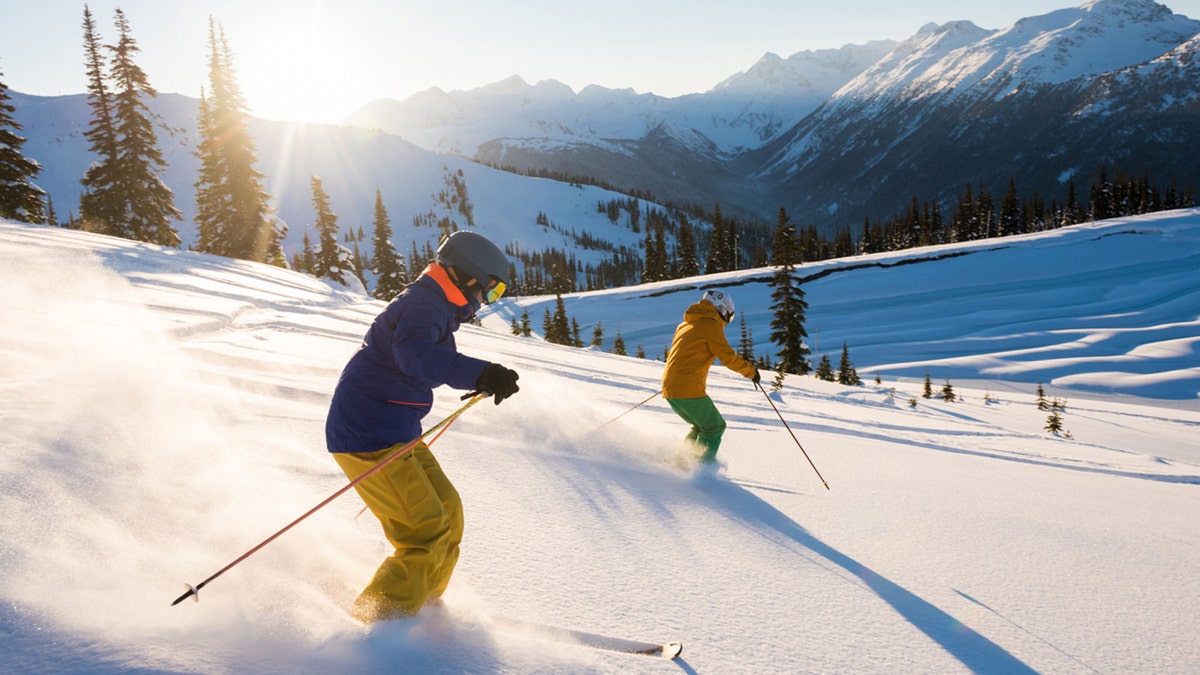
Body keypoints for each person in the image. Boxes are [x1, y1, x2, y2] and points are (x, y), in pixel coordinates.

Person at [325, 230, 520, 624]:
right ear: (466, 277)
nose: (486, 301)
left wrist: (481, 375)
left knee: (449, 510)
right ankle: (379, 623)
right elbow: (417, 357)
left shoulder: (436, 306)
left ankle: (423, 604)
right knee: (425, 532)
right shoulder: (423, 307)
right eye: (490, 291)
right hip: (367, 436)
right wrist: (482, 373)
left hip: (392, 432)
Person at [661, 289, 759, 467]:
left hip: (671, 388)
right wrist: (751, 372)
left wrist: (674, 381)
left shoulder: (685, 325)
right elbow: (727, 356)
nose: (726, 321)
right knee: (715, 427)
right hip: (687, 388)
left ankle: (682, 463)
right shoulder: (709, 326)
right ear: (721, 309)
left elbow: (678, 354)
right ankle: (700, 469)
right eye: (728, 316)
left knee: (701, 427)